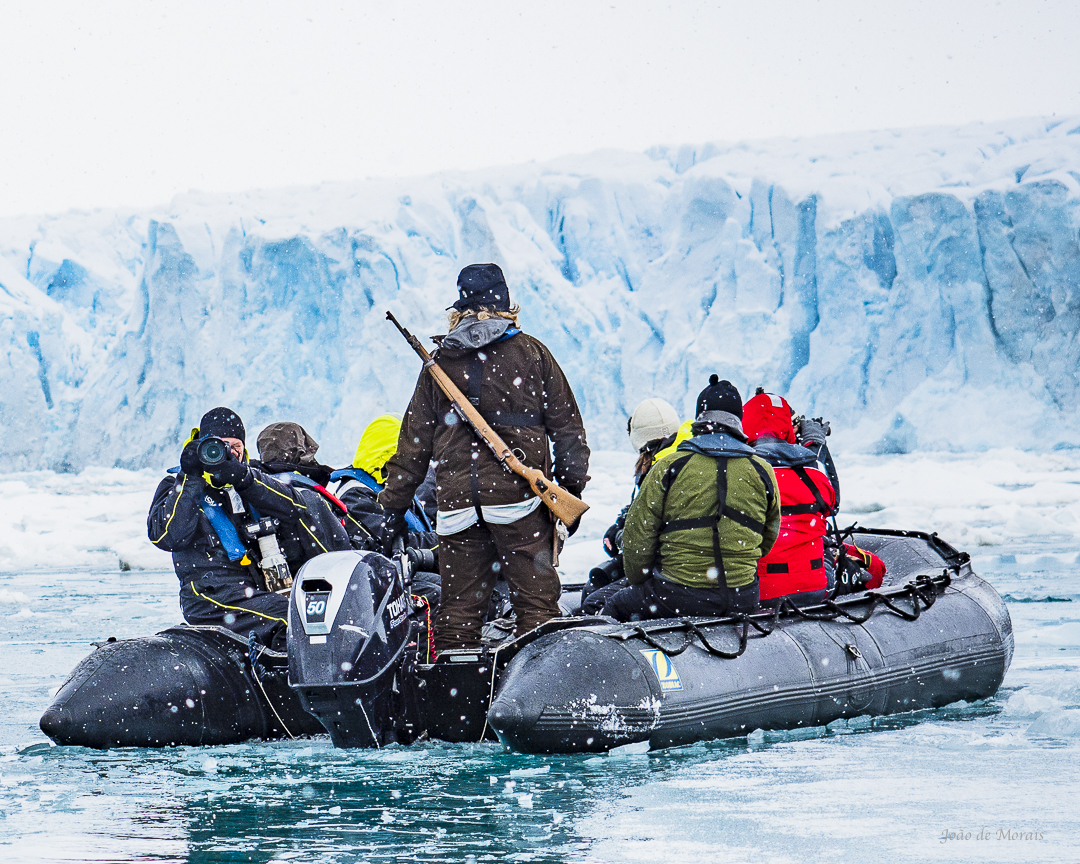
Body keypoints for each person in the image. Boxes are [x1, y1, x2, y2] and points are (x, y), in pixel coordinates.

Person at [379, 263, 590, 652]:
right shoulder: (532, 354)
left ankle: (455, 706)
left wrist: (390, 511)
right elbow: (568, 431)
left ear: (459, 305)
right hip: (518, 504)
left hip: (457, 506)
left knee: (458, 613)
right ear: (506, 302)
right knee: (536, 606)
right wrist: (567, 489)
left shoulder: (439, 362)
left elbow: (412, 448)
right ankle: (536, 699)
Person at [147, 407, 351, 650]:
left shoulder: (250, 479)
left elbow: (295, 508)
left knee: (314, 613)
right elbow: (167, 536)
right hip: (209, 597)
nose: (227, 453)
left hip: (256, 589)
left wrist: (243, 478)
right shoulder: (177, 485)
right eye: (219, 446)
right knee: (295, 618)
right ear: (202, 446)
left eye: (236, 447)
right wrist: (191, 477)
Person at [601, 376, 780, 621]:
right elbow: (769, 536)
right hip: (743, 596)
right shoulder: (763, 470)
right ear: (738, 419)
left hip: (677, 596)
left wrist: (643, 582)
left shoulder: (670, 466)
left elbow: (638, 539)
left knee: (613, 606)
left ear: (700, 416)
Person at [581, 397, 684, 614]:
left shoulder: (660, 469)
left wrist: (620, 536)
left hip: (666, 574)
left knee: (594, 601)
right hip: (681, 572)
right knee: (600, 582)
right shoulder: (685, 459)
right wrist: (622, 522)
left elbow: (646, 538)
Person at [743, 391, 838, 607]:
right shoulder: (814, 476)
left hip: (761, 592)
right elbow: (832, 505)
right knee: (824, 542)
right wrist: (815, 445)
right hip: (816, 589)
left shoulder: (742, 477)